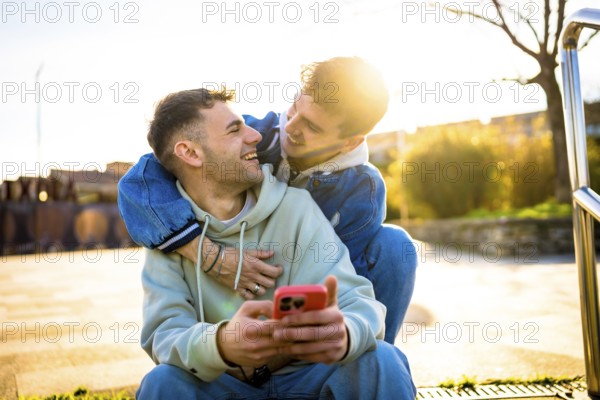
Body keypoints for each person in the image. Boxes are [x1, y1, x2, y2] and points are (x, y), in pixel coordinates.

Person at [134, 88, 416, 399]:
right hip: (224, 381)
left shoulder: (299, 206)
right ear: (190, 153)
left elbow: (359, 301)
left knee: (383, 360)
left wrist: (343, 333)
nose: (256, 135)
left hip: (307, 374)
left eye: (245, 124)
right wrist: (222, 344)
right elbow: (164, 333)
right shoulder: (168, 234)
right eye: (235, 129)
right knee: (162, 382)